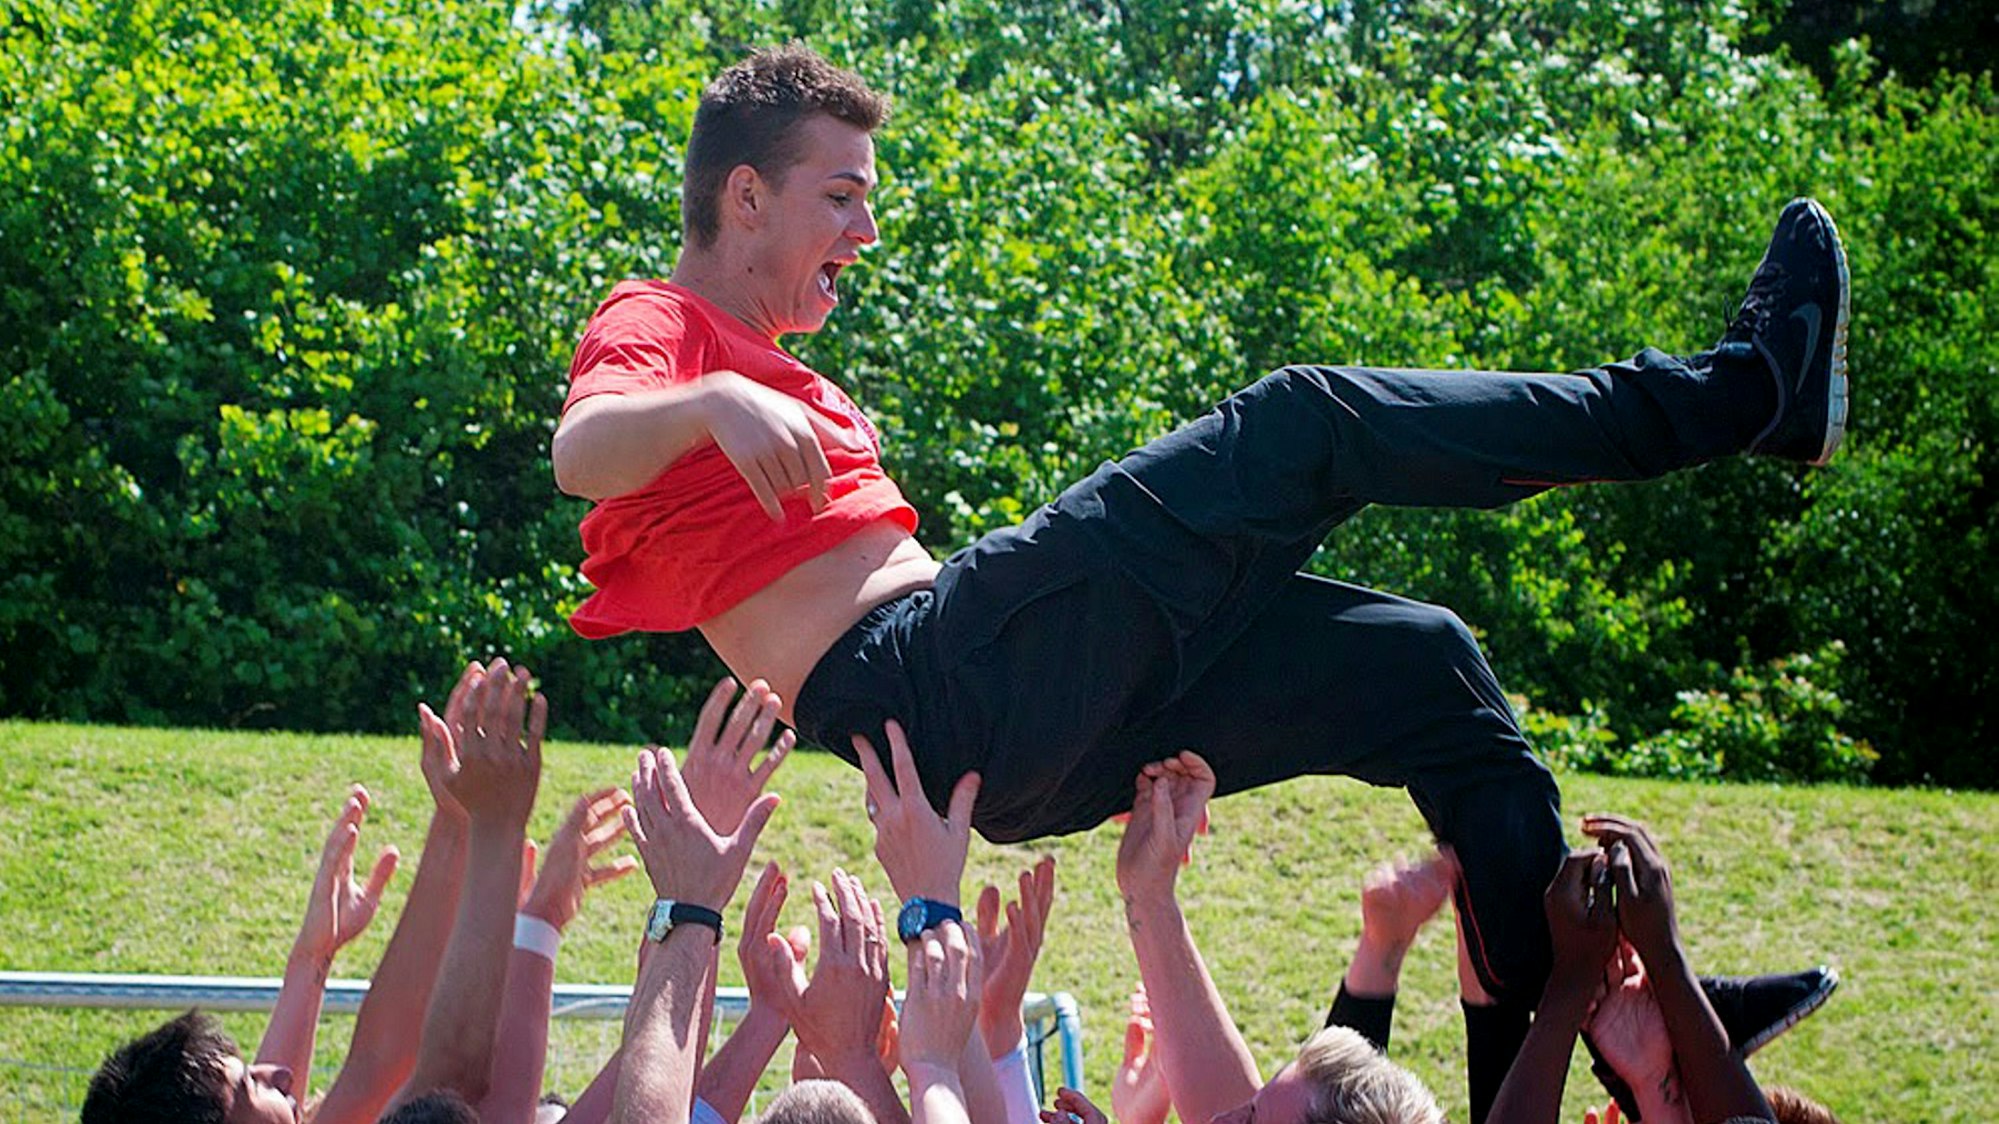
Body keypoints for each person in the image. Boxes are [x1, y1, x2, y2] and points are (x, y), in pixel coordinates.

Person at [550, 41, 1850, 1029]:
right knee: (1307, 423)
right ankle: (1741, 396)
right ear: (745, 197)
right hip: (946, 683)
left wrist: (733, 403)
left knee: (1427, 668)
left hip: (1011, 742)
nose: (867, 231)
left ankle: (1627, 1022)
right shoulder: (661, 323)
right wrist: (712, 400)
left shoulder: (774, 369)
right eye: (841, 197)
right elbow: (582, 451)